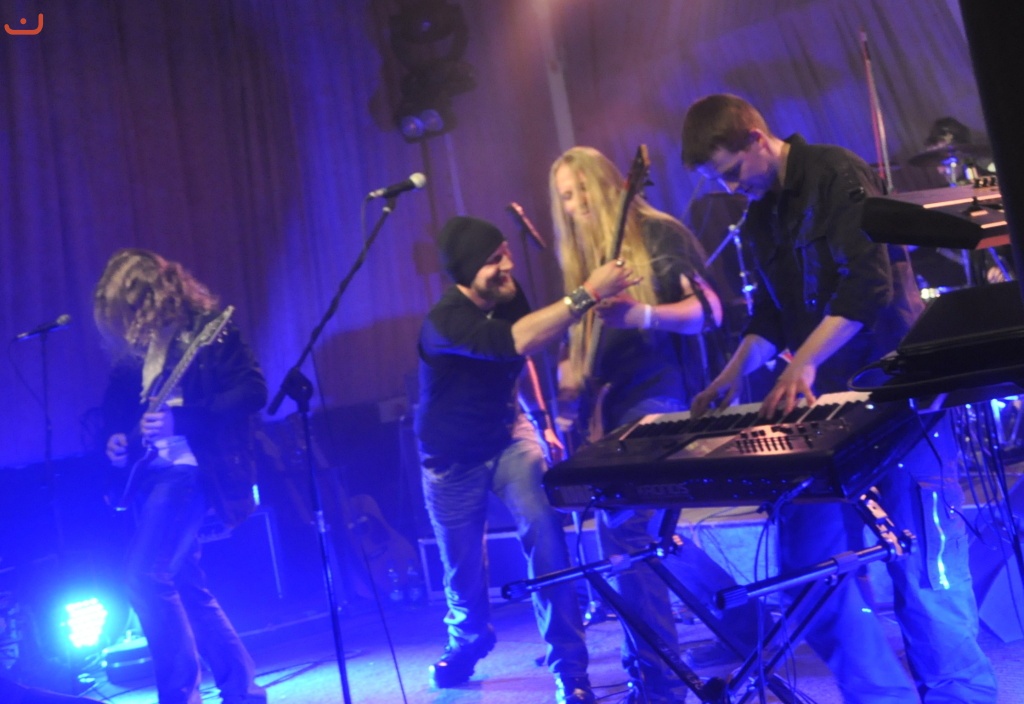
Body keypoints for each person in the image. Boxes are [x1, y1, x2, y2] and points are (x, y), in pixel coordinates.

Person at [681, 93, 997, 703]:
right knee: (809, 576)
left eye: (732, 171)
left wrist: (802, 362)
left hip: (899, 399)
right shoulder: (759, 217)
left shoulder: (835, 172)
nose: (732, 187)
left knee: (925, 576)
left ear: (757, 138)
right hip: (830, 413)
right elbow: (770, 316)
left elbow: (867, 286)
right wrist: (729, 377)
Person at [550, 146, 766, 703]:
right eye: (565, 196)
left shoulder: (657, 234)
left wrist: (641, 313)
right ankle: (747, 624)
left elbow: (710, 312)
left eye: (582, 188)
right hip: (620, 407)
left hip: (663, 399)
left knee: (627, 532)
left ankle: (659, 681)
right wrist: (572, 376)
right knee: (647, 535)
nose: (575, 204)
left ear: (609, 183)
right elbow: (586, 348)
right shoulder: (588, 262)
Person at [414, 215, 638, 704]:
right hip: (450, 458)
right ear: (468, 269)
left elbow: (526, 353)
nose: (508, 265)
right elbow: (511, 342)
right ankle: (468, 641)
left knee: (546, 535)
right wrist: (587, 293)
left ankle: (570, 669)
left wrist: (541, 420)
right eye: (494, 260)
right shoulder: (445, 321)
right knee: (463, 571)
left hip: (508, 437)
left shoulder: (507, 297)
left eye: (506, 253)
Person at [94, 249, 268, 704]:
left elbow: (253, 391)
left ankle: (180, 697)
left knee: (143, 575)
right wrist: (114, 443)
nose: (125, 323)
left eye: (129, 310)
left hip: (189, 470)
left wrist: (183, 420)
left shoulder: (208, 331)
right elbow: (115, 415)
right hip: (148, 476)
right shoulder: (134, 352)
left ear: (152, 297)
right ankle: (244, 692)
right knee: (184, 584)